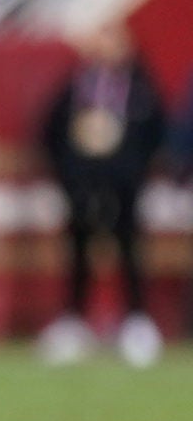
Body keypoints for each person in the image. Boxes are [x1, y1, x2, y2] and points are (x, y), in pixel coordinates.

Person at [36, 24, 168, 367]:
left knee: (128, 251)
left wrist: (134, 171)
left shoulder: (140, 87)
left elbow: (156, 133)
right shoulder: (77, 86)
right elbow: (49, 131)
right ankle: (72, 322)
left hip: (124, 185)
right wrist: (69, 173)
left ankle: (137, 323)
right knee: (78, 252)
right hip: (82, 184)